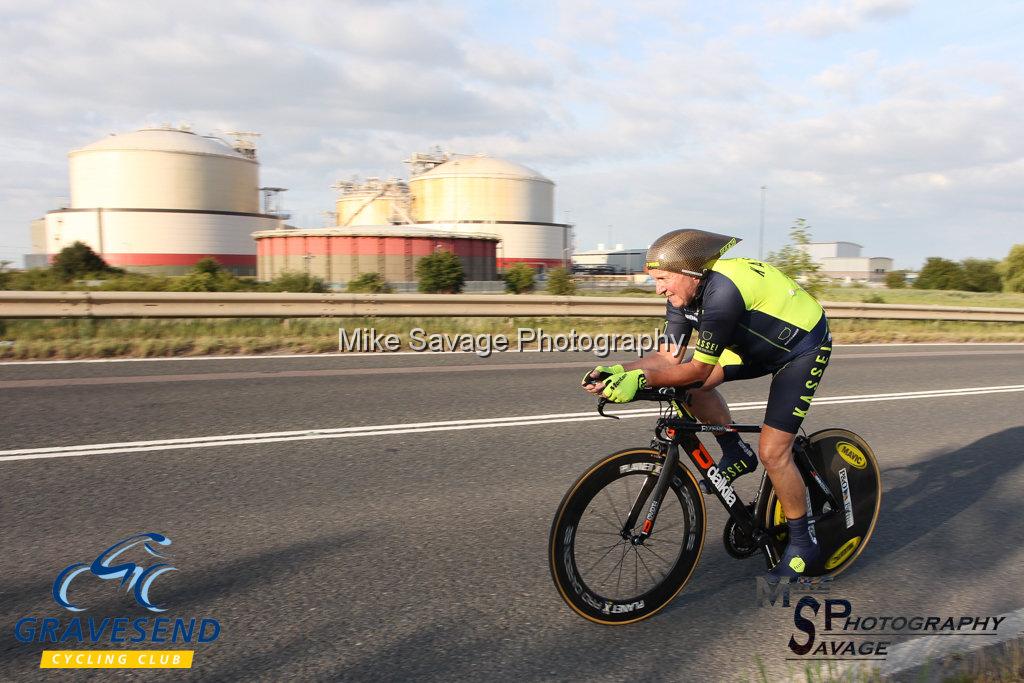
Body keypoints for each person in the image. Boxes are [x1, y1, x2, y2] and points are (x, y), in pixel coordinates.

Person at [582, 228, 831, 581]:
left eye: (663, 279)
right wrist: (620, 370)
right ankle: (734, 451)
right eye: (654, 280)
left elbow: (697, 368)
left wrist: (643, 381)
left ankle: (804, 544)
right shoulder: (683, 297)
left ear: (689, 272)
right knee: (690, 389)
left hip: (801, 349)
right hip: (752, 346)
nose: (659, 289)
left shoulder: (722, 294)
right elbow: (669, 358)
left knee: (774, 452)